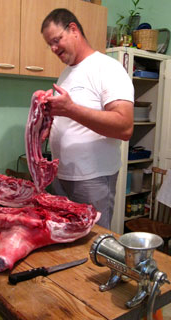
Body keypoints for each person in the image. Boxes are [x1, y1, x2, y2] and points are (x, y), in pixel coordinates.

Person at [41, 8, 134, 230]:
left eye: (56, 40)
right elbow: (71, 119)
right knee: (70, 247)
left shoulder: (107, 68)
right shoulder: (66, 74)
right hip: (62, 176)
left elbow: (125, 126)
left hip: (93, 179)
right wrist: (47, 123)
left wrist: (71, 109)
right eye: (49, 44)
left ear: (73, 29)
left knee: (95, 247)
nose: (53, 49)